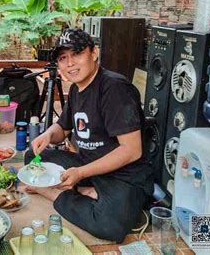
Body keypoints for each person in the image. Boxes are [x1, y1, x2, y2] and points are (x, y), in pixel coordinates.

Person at [24, 28, 153, 242]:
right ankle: (86, 192)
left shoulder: (114, 88)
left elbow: (132, 150)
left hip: (123, 175)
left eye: (76, 54)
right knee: (33, 158)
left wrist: (80, 173)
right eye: (63, 58)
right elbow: (63, 129)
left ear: (94, 53)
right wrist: (47, 135)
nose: (70, 63)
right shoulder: (76, 89)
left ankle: (55, 193)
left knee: (110, 226)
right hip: (89, 166)